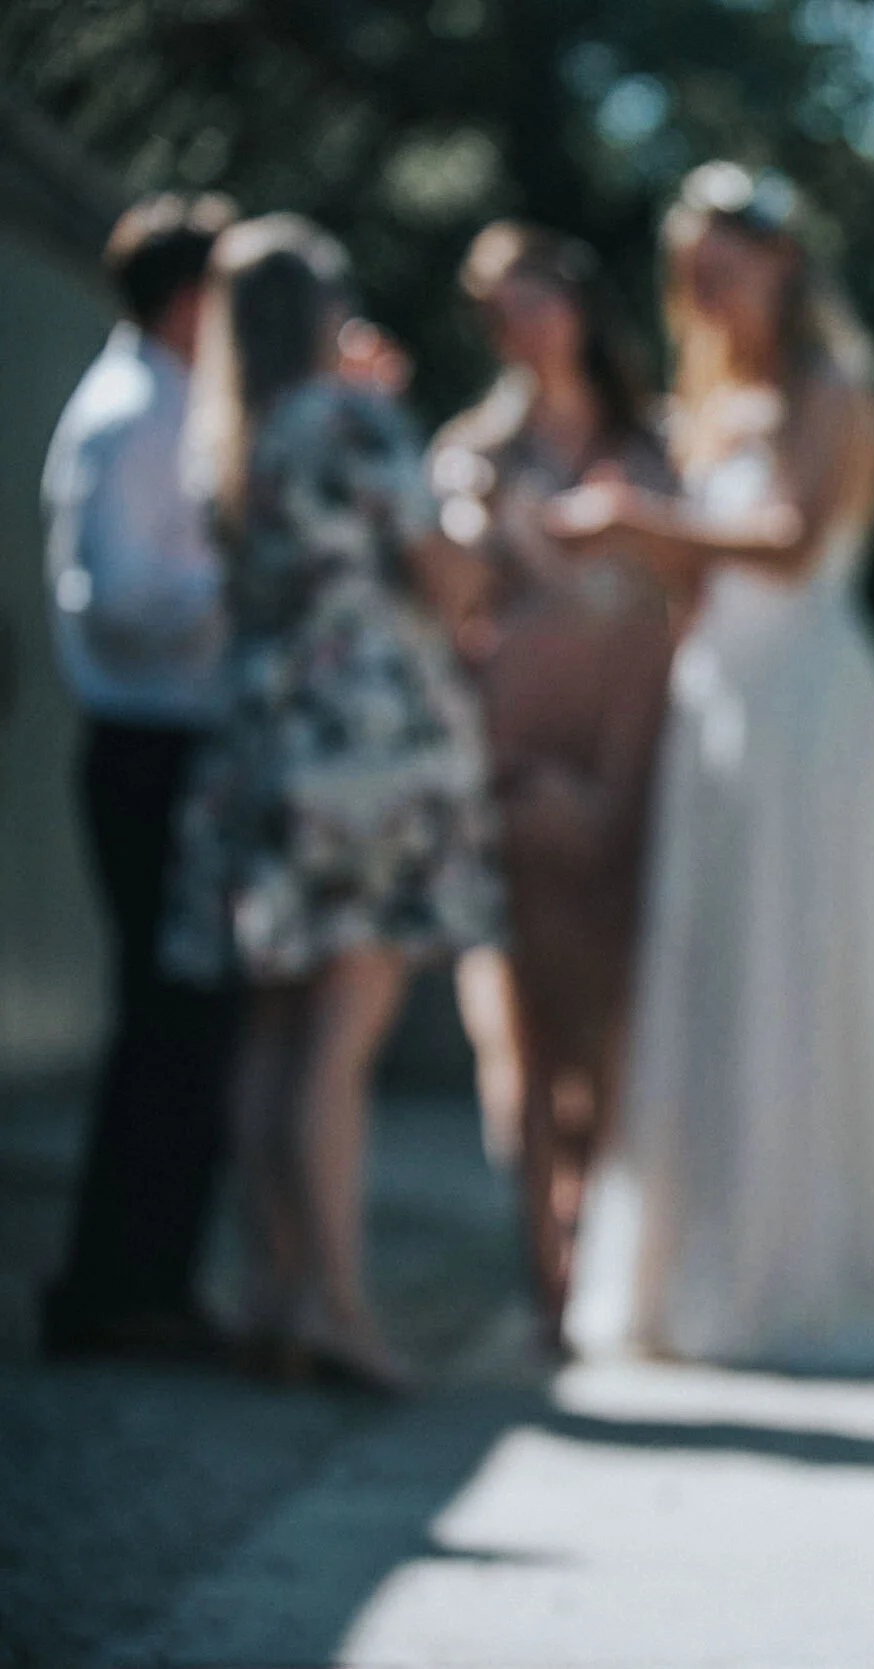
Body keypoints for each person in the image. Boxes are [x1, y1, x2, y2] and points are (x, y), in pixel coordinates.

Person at [552, 163, 874, 1372]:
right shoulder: (706, 403)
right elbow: (697, 577)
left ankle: (814, 1278)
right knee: (711, 975)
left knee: (799, 977)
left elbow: (787, 540)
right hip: (719, 702)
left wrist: (631, 518)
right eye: (694, 273)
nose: (713, 290)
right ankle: (705, 1278)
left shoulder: (832, 388)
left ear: (783, 261)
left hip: (813, 707)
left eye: (731, 263)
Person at [161, 214, 501, 1392]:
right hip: (362, 748)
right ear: (319, 309)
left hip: (260, 744)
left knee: (271, 1028)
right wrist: (444, 479)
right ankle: (341, 1312)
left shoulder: (226, 436)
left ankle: (271, 1293)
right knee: (340, 1035)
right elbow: (449, 569)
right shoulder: (351, 418)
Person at [430, 222, 677, 1343]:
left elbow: (690, 605)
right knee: (522, 1021)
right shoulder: (473, 452)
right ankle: (545, 1270)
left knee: (611, 1016)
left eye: (535, 298)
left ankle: (591, 1227)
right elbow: (453, 615)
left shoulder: (652, 445)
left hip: (639, 749)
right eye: (498, 308)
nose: (520, 324)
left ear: (575, 305)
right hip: (519, 757)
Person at [37, 193, 240, 1363]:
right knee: (166, 1027)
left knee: (186, 1027)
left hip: (174, 745)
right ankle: (112, 1290)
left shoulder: (172, 404)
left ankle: (148, 1282)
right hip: (147, 744)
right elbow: (114, 602)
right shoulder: (131, 416)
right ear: (185, 299)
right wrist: (241, 578)